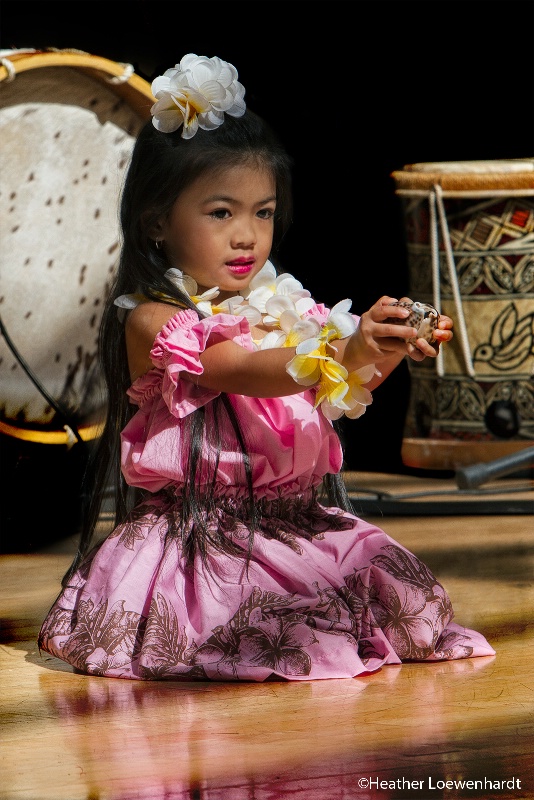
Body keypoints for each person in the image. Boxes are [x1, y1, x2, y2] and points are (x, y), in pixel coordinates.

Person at [38, 54, 495, 681]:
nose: (248, 236)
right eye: (221, 212)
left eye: (263, 211)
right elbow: (242, 369)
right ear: (156, 222)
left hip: (296, 521)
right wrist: (344, 349)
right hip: (203, 541)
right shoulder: (152, 320)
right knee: (259, 629)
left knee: (396, 604)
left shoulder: (285, 308)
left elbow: (331, 389)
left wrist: (380, 349)